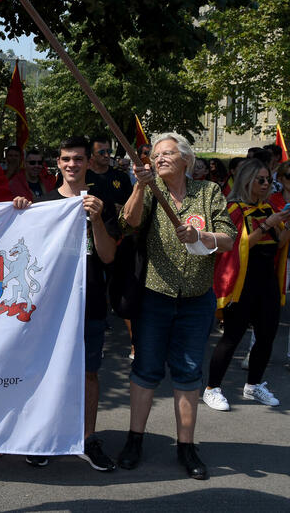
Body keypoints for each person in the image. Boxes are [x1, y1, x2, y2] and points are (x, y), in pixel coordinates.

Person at [119, 132, 234, 480]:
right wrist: (140, 187)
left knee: (187, 372)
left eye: (167, 154)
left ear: (186, 159)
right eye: (156, 155)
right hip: (155, 297)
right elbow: (129, 222)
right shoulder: (152, 191)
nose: (160, 159)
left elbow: (227, 238)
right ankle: (134, 440)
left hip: (197, 301)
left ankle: (187, 446)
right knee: (146, 370)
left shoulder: (209, 192)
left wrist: (202, 237)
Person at [29, 137, 118, 471]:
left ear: (87, 163)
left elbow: (108, 256)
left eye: (78, 159)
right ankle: (46, 436)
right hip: (52, 306)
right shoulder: (44, 204)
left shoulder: (100, 203)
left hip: (91, 301)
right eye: (66, 159)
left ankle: (87, 438)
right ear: (58, 162)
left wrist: (95, 219)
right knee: (47, 372)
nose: (71, 165)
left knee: (89, 374)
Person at [203, 159, 287, 411]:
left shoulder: (268, 207)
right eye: (260, 180)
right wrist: (266, 225)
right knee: (232, 337)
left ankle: (254, 385)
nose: (266, 184)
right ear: (247, 181)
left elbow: (280, 245)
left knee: (266, 336)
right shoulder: (234, 209)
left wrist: (286, 224)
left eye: (268, 180)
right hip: (241, 283)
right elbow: (236, 248)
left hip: (267, 282)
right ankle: (212, 388)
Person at [89, 135, 132, 211]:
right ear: (92, 155)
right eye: (101, 152)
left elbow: (132, 204)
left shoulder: (122, 176)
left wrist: (123, 209)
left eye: (109, 151)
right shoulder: (83, 178)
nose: (106, 155)